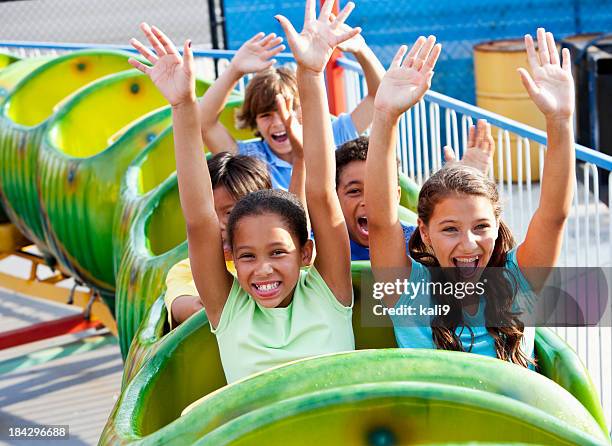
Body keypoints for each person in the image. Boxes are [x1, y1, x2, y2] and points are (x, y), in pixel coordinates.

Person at [129, 0, 358, 383]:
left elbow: (321, 191)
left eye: (278, 252)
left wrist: (312, 73)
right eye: (247, 256)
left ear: (306, 252)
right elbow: (199, 219)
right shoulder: (229, 307)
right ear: (231, 256)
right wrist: (183, 106)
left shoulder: (329, 291)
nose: (263, 268)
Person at [365, 29, 574, 368]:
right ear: (424, 230)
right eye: (450, 229)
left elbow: (554, 214)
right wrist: (386, 116)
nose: (468, 243)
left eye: (480, 227)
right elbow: (380, 218)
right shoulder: (407, 288)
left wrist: (560, 121)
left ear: (496, 224)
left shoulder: (517, 278)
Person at [190, 14, 384, 190]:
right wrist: (235, 70)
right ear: (254, 120)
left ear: (305, 110)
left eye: (289, 110)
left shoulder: (333, 135)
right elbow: (203, 123)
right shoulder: (250, 158)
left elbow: (379, 97)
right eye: (266, 115)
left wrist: (361, 51)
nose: (278, 122)